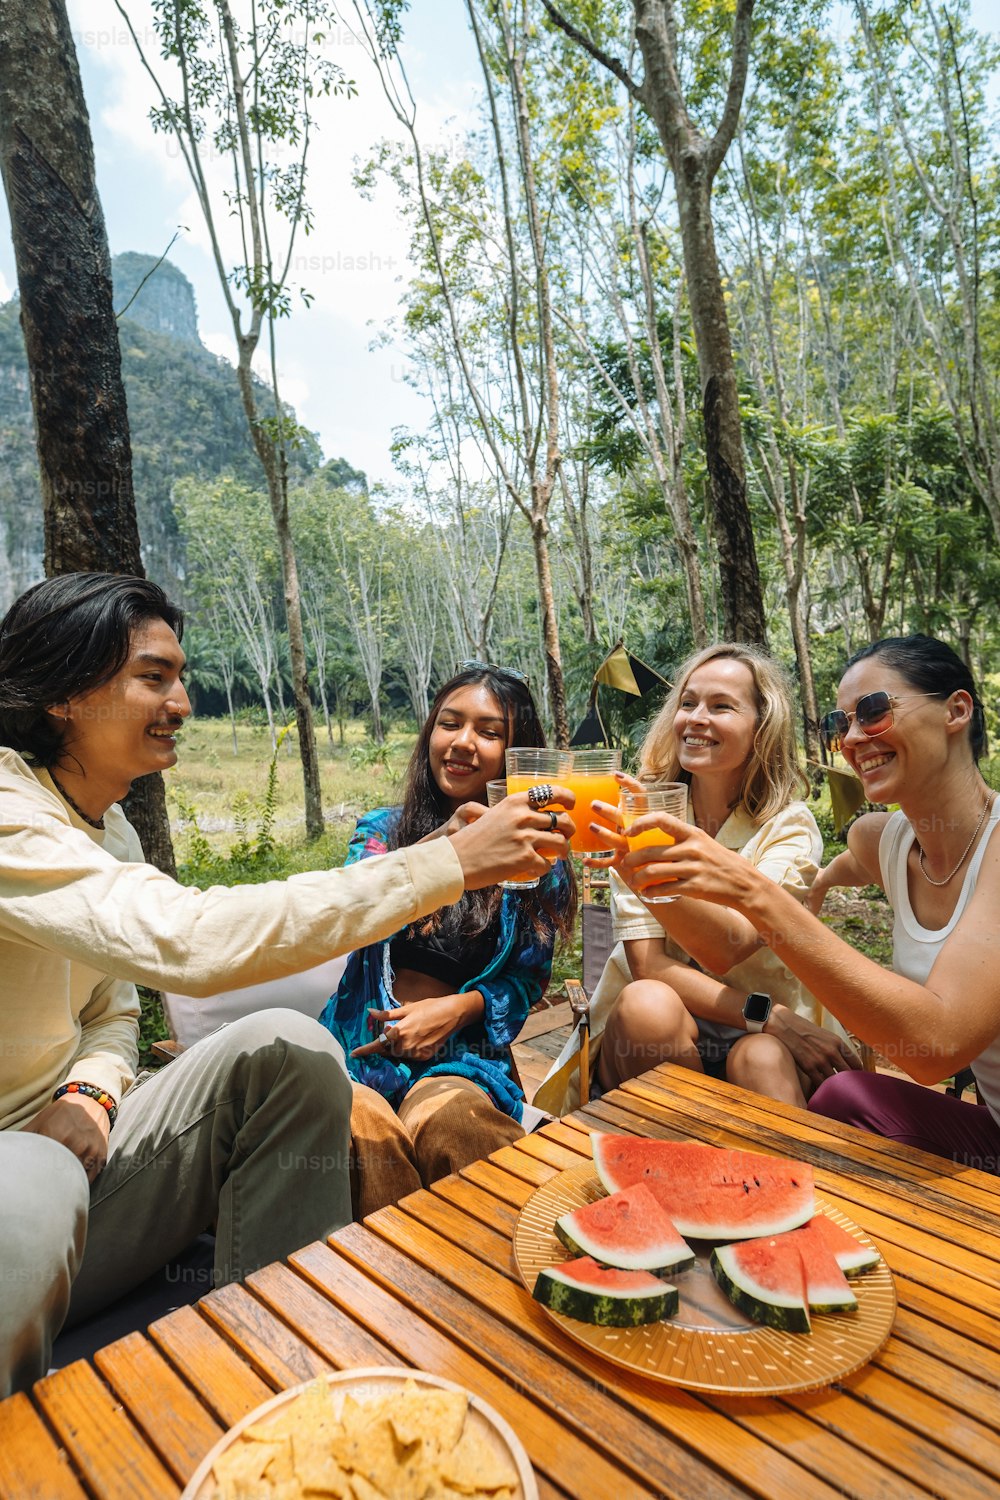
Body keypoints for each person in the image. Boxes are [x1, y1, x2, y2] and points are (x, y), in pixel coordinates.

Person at [0, 575, 575, 1397]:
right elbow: (186, 940)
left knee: (293, 1049)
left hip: (83, 1152)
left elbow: (113, 1006)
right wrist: (447, 865)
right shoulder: (9, 812)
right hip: (18, 1183)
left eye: (181, 677)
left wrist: (91, 1090)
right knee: (31, 1182)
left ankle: (280, 1365)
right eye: (153, 677)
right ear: (63, 691)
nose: (184, 702)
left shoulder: (110, 825)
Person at [602, 633, 1000, 1172]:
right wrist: (822, 883)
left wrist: (752, 890)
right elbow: (852, 860)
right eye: (841, 725)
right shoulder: (883, 839)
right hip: (983, 1125)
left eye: (874, 711)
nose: (853, 738)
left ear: (956, 710)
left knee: (775, 1066)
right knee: (835, 1096)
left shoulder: (795, 825)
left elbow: (937, 1046)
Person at [319, 664, 576, 1218]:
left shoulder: (538, 855)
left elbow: (527, 979)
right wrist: (443, 847)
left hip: (463, 1056)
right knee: (364, 1130)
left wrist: (457, 1011)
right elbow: (354, 904)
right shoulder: (382, 833)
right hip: (359, 1045)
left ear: (516, 752)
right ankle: (388, 1290)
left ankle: (490, 1275)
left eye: (488, 731)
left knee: (456, 1127)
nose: (461, 743)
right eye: (449, 723)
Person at [587, 643, 856, 1109]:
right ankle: (689, 1162)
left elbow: (730, 944)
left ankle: (787, 1175)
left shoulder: (787, 826)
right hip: (660, 1034)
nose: (696, 718)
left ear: (761, 727)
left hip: (766, 1035)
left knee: (763, 1056)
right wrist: (767, 1016)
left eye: (721, 706)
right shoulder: (639, 813)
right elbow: (649, 965)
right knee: (646, 1003)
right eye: (688, 703)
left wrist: (767, 1024)